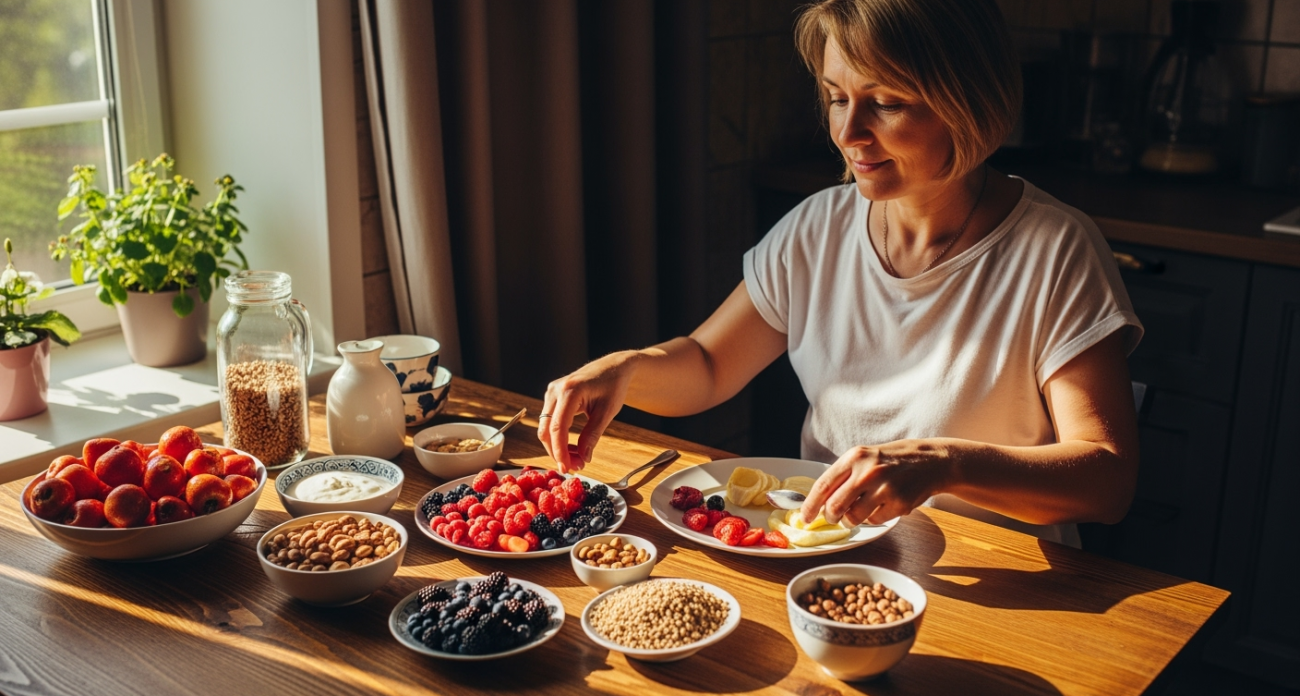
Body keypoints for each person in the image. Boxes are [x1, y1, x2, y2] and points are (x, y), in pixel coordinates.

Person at [536, 0, 1142, 547]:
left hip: (1005, 581)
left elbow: (1106, 480)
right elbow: (709, 363)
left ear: (967, 103)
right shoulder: (818, 227)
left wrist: (945, 464)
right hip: (829, 559)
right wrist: (627, 368)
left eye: (886, 103)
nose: (849, 134)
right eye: (836, 97)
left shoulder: (1056, 249)